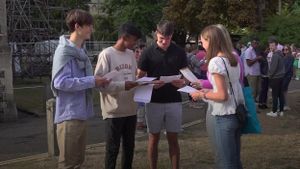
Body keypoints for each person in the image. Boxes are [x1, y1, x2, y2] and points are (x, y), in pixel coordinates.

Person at [51, 9, 110, 169]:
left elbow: (82, 81)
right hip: (69, 114)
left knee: (77, 162)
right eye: (89, 25)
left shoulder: (80, 51)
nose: (92, 29)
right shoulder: (64, 52)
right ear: (77, 27)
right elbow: (60, 82)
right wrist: (91, 80)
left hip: (81, 112)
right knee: (68, 163)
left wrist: (98, 81)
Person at [190, 24, 244, 169]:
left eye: (203, 42)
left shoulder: (216, 62)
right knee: (234, 160)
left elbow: (221, 95)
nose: (202, 45)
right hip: (236, 113)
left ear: (211, 41)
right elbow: (231, 88)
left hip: (223, 115)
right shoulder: (232, 58)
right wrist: (205, 90)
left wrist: (201, 95)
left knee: (225, 162)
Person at [137, 20, 187, 169]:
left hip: (174, 101)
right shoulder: (147, 52)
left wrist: (183, 82)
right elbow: (139, 78)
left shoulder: (179, 52)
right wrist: (150, 83)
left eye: (168, 39)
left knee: (173, 139)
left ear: (172, 36)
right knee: (153, 138)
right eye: (161, 39)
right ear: (156, 34)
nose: (165, 42)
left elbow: (186, 75)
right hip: (153, 101)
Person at [94, 22, 142, 169]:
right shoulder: (106, 54)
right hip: (114, 111)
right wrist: (123, 86)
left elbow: (133, 78)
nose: (135, 43)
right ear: (124, 37)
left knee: (129, 147)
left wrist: (143, 83)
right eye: (134, 40)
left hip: (130, 109)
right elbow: (99, 84)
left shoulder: (130, 55)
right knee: (112, 149)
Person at [266, 38, 285, 117]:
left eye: (272, 45)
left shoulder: (275, 55)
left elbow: (273, 68)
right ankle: (281, 111)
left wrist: (269, 76)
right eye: (270, 45)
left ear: (276, 45)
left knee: (275, 95)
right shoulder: (281, 54)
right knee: (281, 94)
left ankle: (274, 112)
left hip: (276, 77)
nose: (271, 47)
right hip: (281, 76)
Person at [282, 45, 294, 111]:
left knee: (283, 89)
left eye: (286, 49)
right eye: (284, 49)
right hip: (285, 75)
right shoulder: (285, 56)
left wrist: (283, 74)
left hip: (287, 75)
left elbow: (288, 67)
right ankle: (286, 105)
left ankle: (285, 105)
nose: (285, 51)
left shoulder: (290, 57)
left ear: (289, 50)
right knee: (284, 90)